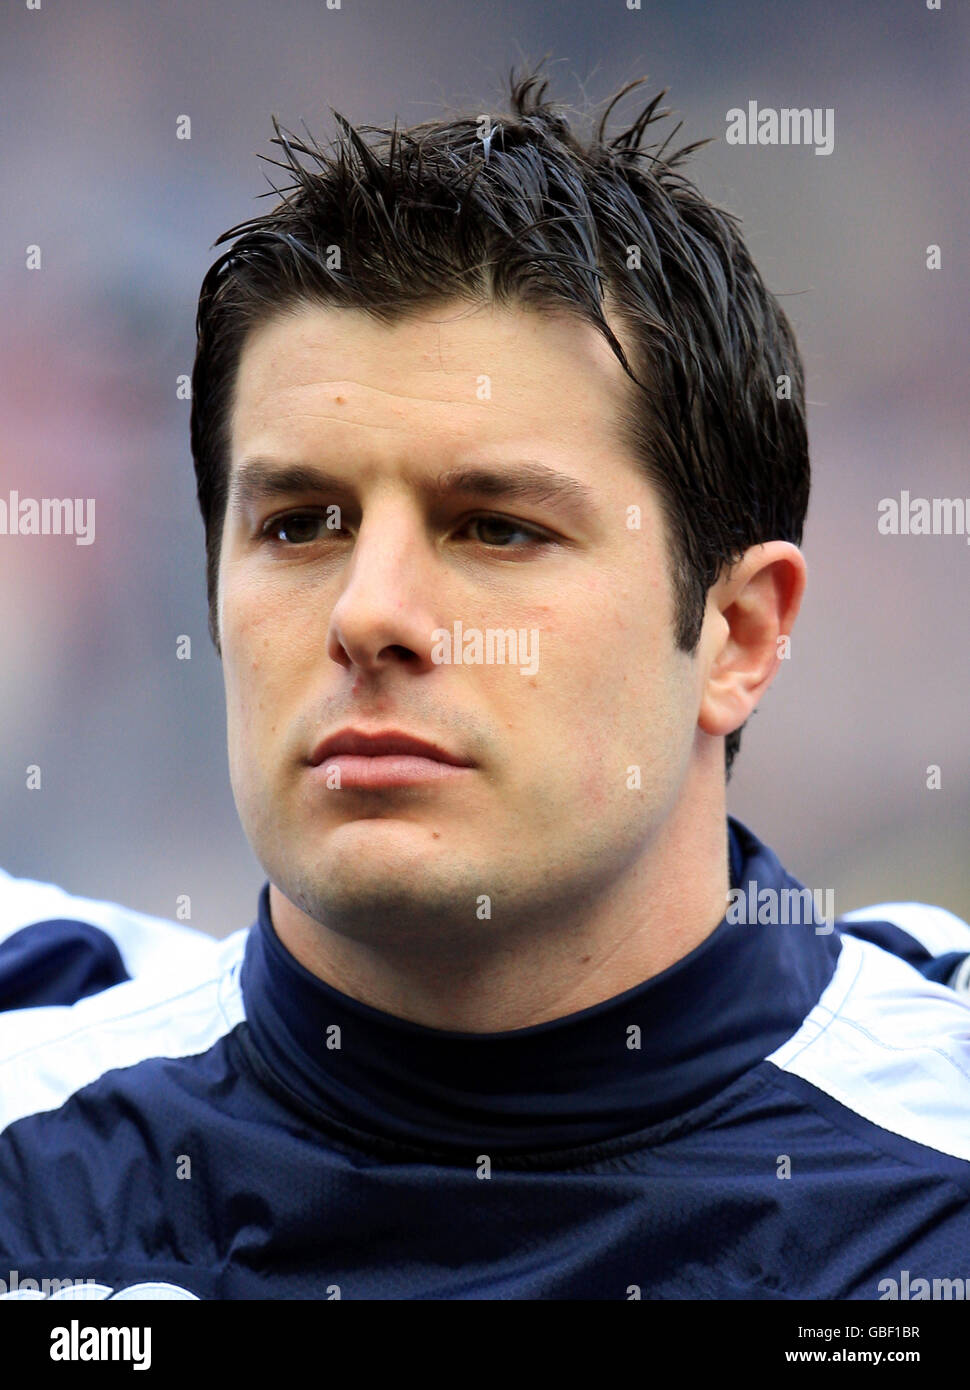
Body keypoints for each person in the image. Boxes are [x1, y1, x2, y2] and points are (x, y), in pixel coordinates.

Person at [1, 68, 968, 1301]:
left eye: (495, 527)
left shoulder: (931, 1175)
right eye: (300, 524)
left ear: (734, 633)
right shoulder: (36, 1137)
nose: (368, 615)